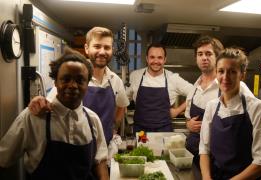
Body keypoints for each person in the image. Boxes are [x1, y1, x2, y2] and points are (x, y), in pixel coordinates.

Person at [0, 48, 109, 180]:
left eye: (80, 80)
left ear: (87, 84)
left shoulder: (92, 120)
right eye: (66, 79)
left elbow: (100, 160)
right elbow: (3, 159)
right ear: (56, 82)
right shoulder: (34, 116)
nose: (73, 85)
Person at [28, 27, 130, 145]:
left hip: (105, 146)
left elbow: (122, 106)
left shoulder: (115, 80)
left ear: (112, 50)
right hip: (75, 146)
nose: (102, 52)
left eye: (106, 47)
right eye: (97, 46)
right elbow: (49, 104)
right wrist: (38, 101)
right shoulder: (72, 77)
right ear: (87, 48)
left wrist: (113, 128)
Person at [199, 48, 261, 180]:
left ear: (242, 75)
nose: (225, 77)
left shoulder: (258, 108)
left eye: (232, 72)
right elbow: (204, 150)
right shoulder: (212, 107)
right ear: (216, 73)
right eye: (221, 71)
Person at [184, 36, 254, 179]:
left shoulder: (233, 85)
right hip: (192, 156)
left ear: (217, 57)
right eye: (200, 54)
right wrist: (189, 125)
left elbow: (250, 118)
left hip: (217, 161)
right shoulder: (194, 87)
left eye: (209, 54)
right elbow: (187, 118)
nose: (204, 58)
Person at [126, 42, 193, 133]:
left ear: (165, 59)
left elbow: (194, 92)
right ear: (147, 58)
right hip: (140, 131)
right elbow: (124, 98)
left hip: (164, 131)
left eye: (160, 57)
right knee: (141, 148)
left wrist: (177, 111)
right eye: (152, 57)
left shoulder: (173, 78)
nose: (156, 61)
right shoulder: (135, 76)